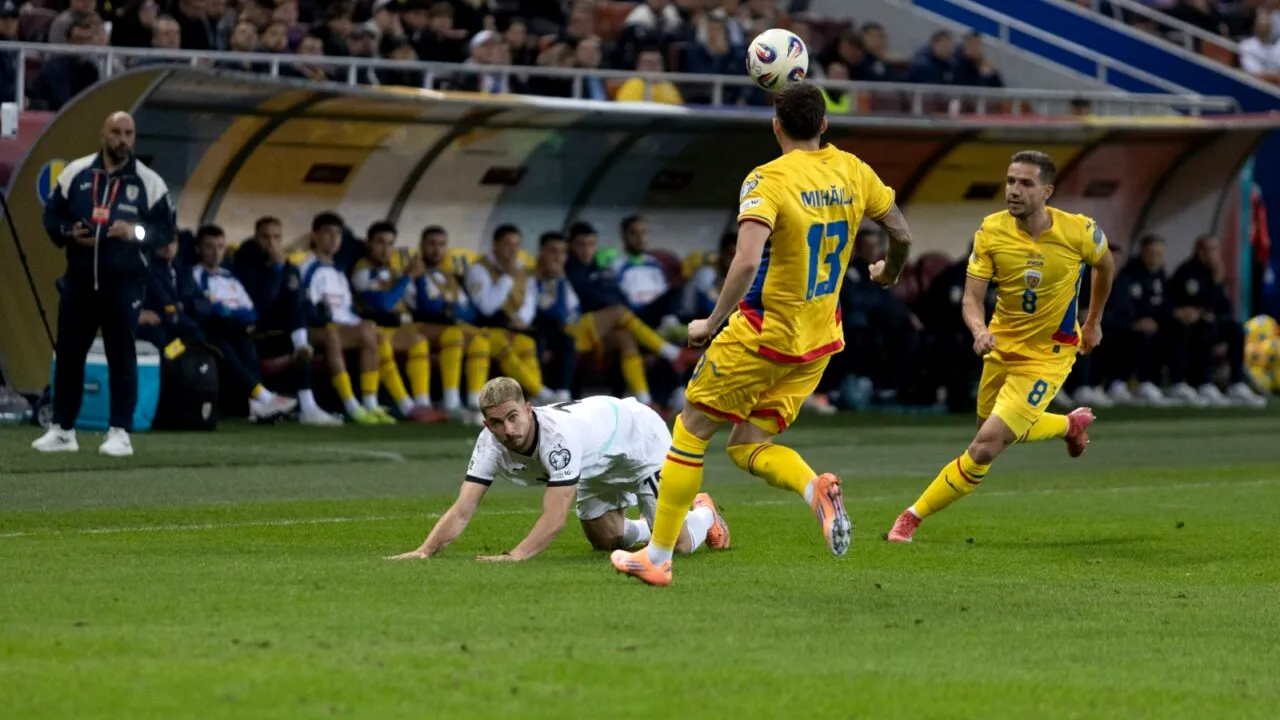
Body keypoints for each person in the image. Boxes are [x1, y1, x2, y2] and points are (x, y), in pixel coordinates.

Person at [610, 82, 915, 586]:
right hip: (818, 341)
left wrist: (711, 323)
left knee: (690, 432)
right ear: (824, 124)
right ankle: (813, 487)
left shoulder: (766, 179)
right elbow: (901, 233)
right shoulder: (854, 170)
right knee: (747, 444)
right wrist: (890, 272)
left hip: (762, 333)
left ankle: (657, 558)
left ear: (776, 127)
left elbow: (748, 258)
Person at [886, 151, 1116, 543]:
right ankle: (1068, 424)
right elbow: (971, 300)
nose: (1013, 190)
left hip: (1049, 354)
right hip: (1001, 348)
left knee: (984, 446)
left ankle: (910, 518)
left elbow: (1106, 266)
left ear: (1047, 191)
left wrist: (1092, 321)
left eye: (1025, 183)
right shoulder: (991, 231)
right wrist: (978, 331)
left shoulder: (1080, 231)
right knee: (992, 431)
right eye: (1010, 181)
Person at [388, 377, 730, 562]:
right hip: (596, 460)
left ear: (528, 408)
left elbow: (554, 517)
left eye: (513, 417)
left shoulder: (557, 440)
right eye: (496, 422)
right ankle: (649, 524)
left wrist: (516, 556)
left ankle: (704, 515)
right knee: (606, 540)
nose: (508, 430)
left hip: (636, 441)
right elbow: (463, 508)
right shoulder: (489, 444)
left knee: (679, 546)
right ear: (485, 423)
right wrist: (424, 551)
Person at [33, 111, 176, 457]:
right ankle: (63, 429)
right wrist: (69, 234)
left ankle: (119, 431)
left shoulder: (149, 182)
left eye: (128, 133)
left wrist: (135, 232)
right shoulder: (76, 173)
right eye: (116, 132)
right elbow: (52, 217)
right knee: (68, 355)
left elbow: (165, 231)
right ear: (103, 133)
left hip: (124, 284)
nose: (122, 139)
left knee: (121, 357)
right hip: (79, 280)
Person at [191, 225, 299, 422]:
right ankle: (263, 397)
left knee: (245, 340)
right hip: (211, 330)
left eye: (220, 247)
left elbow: (251, 311)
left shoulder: (229, 277)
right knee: (225, 339)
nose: (216, 253)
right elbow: (206, 307)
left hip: (237, 330)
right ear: (198, 249)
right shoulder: (196, 275)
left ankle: (257, 403)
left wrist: (230, 312)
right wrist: (229, 312)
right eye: (209, 247)